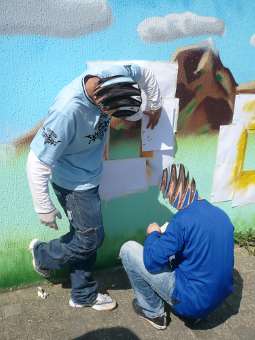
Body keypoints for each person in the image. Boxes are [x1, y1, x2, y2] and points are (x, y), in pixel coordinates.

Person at [27, 63, 162, 311]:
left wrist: (153, 106)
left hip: (89, 175)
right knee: (91, 239)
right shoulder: (68, 111)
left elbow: (145, 73)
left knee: (85, 235)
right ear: (100, 100)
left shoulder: (117, 73)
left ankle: (82, 294)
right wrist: (43, 206)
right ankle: (43, 255)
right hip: (73, 183)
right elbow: (37, 160)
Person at [120, 163, 234, 329]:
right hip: (217, 298)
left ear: (175, 187)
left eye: (167, 193)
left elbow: (151, 262)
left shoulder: (182, 221)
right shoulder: (222, 215)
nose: (168, 199)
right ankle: (195, 315)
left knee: (128, 249)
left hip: (192, 302)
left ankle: (154, 313)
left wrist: (153, 233)